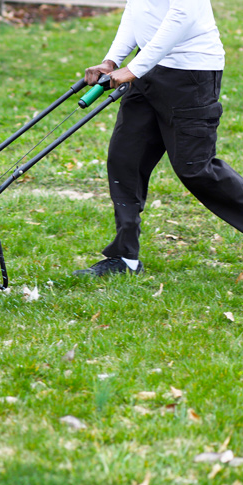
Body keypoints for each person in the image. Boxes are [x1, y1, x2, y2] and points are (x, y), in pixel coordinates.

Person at [73, 0, 243, 277]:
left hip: (191, 74)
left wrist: (134, 68)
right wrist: (112, 60)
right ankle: (125, 258)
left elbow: (183, 12)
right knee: (125, 158)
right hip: (148, 68)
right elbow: (137, 10)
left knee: (196, 168)